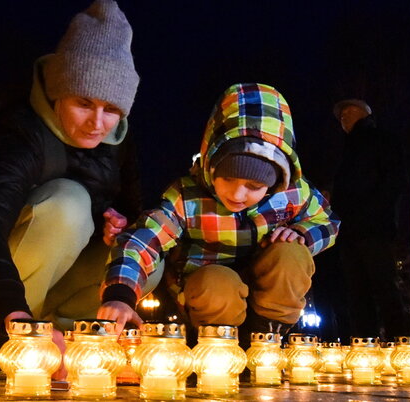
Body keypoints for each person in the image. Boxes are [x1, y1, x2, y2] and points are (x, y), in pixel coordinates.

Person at [0, 0, 141, 350]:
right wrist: (12, 312)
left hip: (53, 282)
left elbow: (134, 215)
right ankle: (15, 338)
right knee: (69, 202)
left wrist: (116, 227)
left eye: (111, 109)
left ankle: (63, 339)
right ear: (58, 91)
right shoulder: (20, 133)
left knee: (143, 255)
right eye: (83, 103)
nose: (97, 123)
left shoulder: (116, 143)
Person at [98, 83, 340, 340]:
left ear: (273, 182)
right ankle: (217, 343)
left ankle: (266, 337)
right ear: (211, 166)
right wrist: (120, 294)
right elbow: (144, 239)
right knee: (216, 284)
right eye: (227, 179)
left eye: (254, 186)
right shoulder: (187, 197)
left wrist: (302, 232)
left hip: (264, 292)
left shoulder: (293, 195)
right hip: (209, 295)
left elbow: (327, 222)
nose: (237, 196)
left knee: (292, 254)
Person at [329, 99, 408, 339]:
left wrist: (371, 213)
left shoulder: (376, 140)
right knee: (357, 291)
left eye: (347, 113)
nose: (343, 118)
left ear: (362, 113)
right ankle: (366, 344)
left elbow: (392, 181)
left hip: (371, 227)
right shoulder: (350, 147)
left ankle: (401, 343)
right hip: (352, 229)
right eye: (340, 116)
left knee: (382, 287)